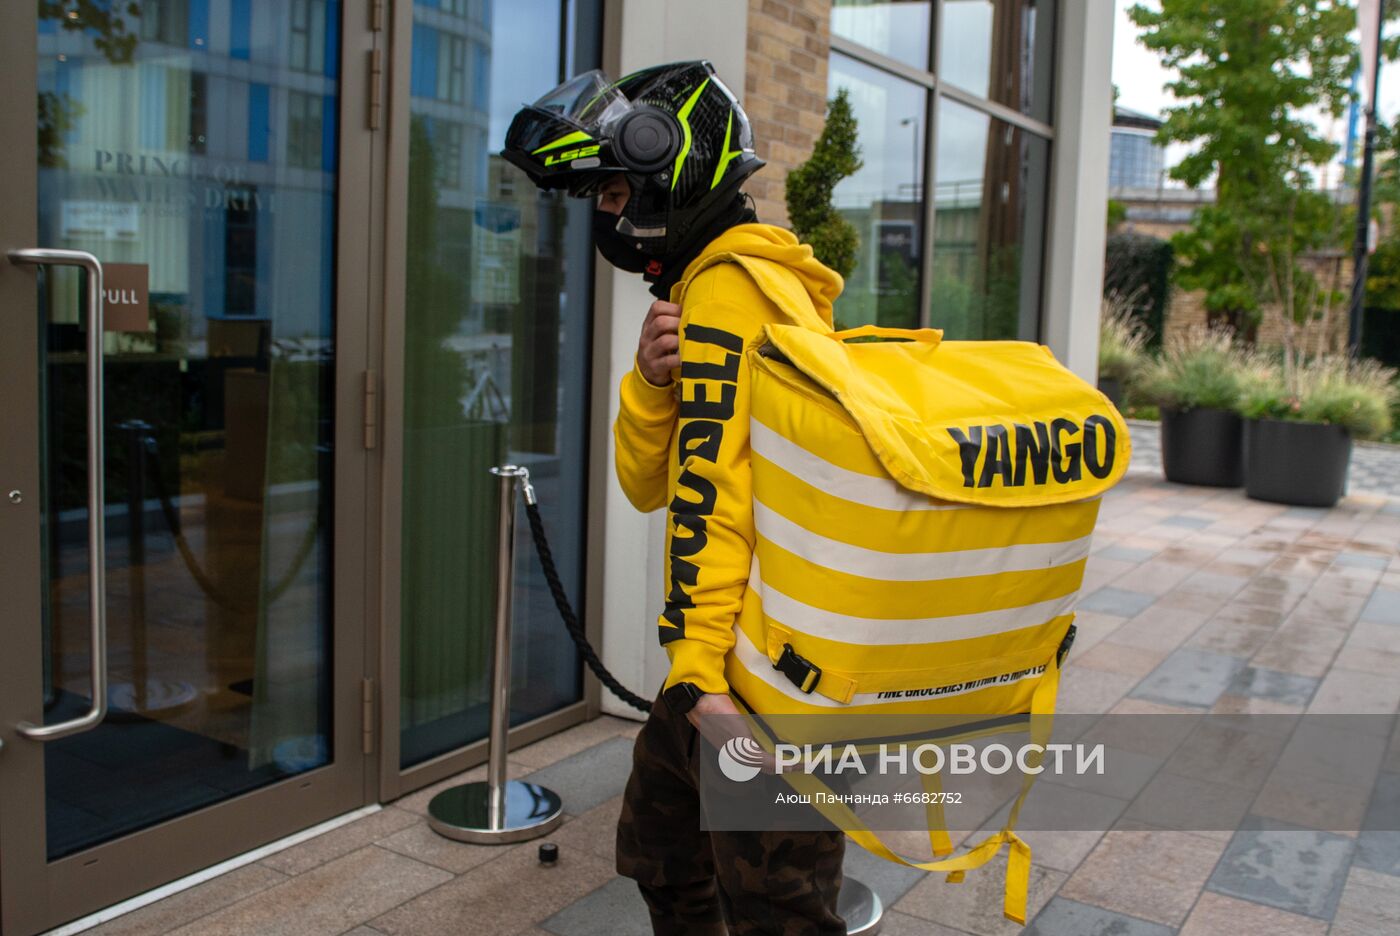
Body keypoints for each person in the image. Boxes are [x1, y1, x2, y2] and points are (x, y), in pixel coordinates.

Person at [504, 61, 847, 935]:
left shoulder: (732, 293)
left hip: (756, 676)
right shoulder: (708, 288)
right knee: (660, 848)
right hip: (732, 651)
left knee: (776, 903)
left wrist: (698, 675)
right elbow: (651, 479)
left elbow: (712, 499)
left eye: (616, 194)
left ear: (671, 169)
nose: (609, 216)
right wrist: (653, 385)